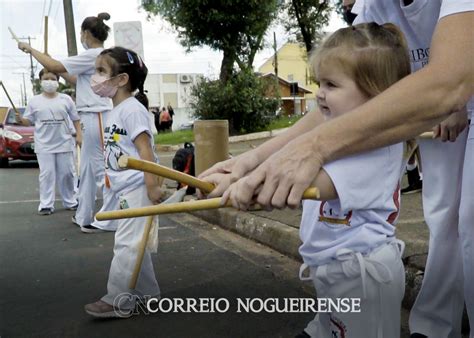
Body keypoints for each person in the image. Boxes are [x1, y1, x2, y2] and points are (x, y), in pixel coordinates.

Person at [199, 0, 473, 334]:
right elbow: (316, 129)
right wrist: (247, 163)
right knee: (443, 217)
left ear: (375, 94)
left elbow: (307, 184)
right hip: (332, 277)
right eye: (320, 83)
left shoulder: (376, 153)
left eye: (330, 85)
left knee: (468, 224)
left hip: (362, 278)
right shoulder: (374, 16)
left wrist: (253, 185)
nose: (319, 95)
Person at [351, 2, 471, 337]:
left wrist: (453, 99)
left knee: (471, 217)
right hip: (435, 105)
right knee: (441, 213)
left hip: (454, 92)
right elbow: (352, 60)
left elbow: (454, 76)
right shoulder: (374, 5)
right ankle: (435, 326)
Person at [18, 12, 118, 233]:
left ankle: (113, 217)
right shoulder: (98, 56)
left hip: (98, 115)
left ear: (85, 33)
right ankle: (84, 215)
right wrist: (55, 66)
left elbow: (53, 66)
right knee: (89, 170)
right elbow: (74, 77)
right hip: (92, 115)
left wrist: (32, 50)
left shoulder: (94, 54)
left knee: (102, 168)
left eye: (82, 33)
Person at [83, 47, 161, 317]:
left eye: (101, 71)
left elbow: (145, 151)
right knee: (135, 242)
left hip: (138, 185)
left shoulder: (132, 110)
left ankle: (119, 298)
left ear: (122, 80)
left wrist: (152, 185)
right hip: (124, 187)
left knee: (127, 242)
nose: (95, 77)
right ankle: (148, 295)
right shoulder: (114, 111)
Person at [15, 69, 82, 215]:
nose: (49, 81)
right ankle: (46, 204)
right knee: (47, 174)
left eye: (53, 78)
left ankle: (70, 200)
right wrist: (21, 120)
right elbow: (28, 121)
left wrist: (79, 135)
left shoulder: (66, 99)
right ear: (41, 81)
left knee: (67, 173)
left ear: (58, 81)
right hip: (44, 144)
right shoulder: (34, 101)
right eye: (46, 78)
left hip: (64, 142)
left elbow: (76, 118)